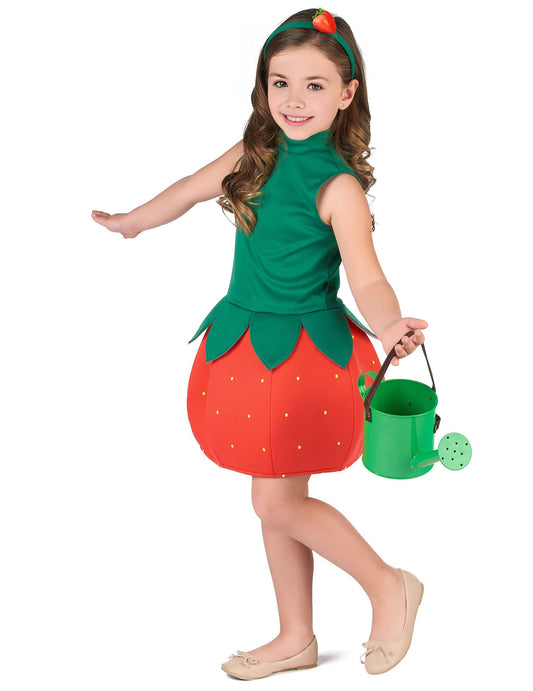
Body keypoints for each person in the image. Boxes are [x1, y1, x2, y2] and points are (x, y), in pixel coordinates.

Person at [92, 7, 427, 680]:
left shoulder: (339, 186)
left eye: (313, 85)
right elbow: (190, 189)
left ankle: (388, 584)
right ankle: (296, 636)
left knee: (275, 500)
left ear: (346, 93)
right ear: (263, 86)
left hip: (302, 355)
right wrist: (134, 222)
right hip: (246, 346)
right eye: (280, 83)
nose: (293, 100)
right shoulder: (257, 153)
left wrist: (389, 323)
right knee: (276, 495)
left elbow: (367, 277)